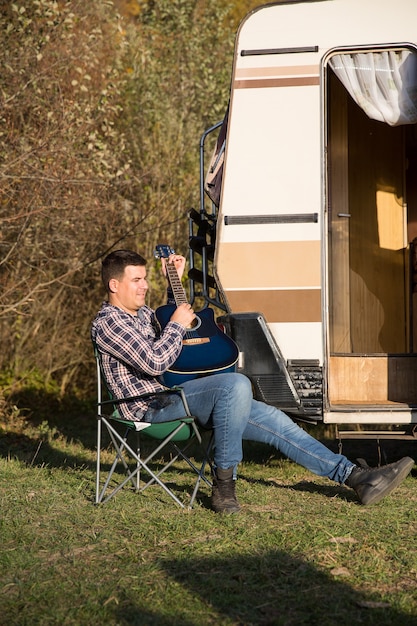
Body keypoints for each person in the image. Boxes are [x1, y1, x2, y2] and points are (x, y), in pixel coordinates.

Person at [91, 249, 414, 513]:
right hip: (150, 409)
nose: (143, 285)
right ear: (114, 285)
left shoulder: (142, 314)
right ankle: (224, 484)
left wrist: (170, 281)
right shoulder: (108, 323)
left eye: (145, 278)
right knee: (235, 385)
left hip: (178, 398)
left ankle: (357, 477)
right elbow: (154, 360)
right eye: (136, 280)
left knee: (273, 416)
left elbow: (174, 329)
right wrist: (176, 324)